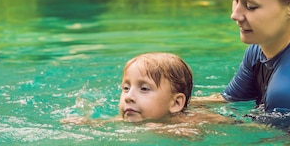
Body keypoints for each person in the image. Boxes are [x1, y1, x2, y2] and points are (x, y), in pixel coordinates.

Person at [62, 52, 233, 136]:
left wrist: (161, 130)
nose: (129, 97)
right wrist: (89, 123)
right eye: (126, 88)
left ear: (175, 104)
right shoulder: (127, 117)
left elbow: (235, 126)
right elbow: (109, 124)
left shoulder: (192, 121)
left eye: (144, 89)